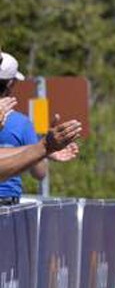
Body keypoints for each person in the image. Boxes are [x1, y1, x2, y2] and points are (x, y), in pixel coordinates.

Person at [0, 52, 80, 190]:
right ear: (11, 84)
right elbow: (40, 173)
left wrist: (43, 148)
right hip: (7, 202)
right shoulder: (21, 123)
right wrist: (43, 148)